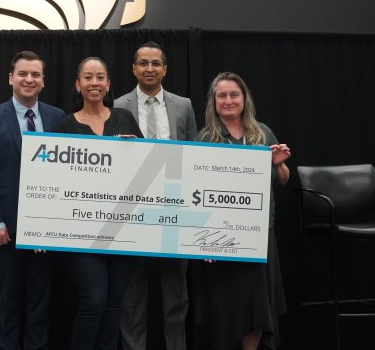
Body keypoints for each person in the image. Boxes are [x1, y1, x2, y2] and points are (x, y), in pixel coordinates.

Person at [0, 50, 65, 350]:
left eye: (35, 74)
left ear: (43, 81)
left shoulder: (56, 117)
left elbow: (69, 171)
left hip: (45, 230)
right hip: (5, 230)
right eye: (23, 74)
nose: (29, 79)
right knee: (8, 302)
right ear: (11, 78)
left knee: (40, 303)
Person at [193, 71, 290, 350]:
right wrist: (205, 242)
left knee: (257, 307)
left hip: (258, 235)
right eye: (222, 95)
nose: (228, 100)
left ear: (244, 98)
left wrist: (279, 164)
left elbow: (283, 181)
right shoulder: (205, 139)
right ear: (214, 101)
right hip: (220, 240)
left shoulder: (262, 133)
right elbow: (195, 193)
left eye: (234, 94)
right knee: (227, 308)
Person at [55, 56, 142, 350]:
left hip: (122, 230)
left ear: (109, 84)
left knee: (115, 302)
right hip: (80, 233)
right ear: (78, 85)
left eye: (100, 77)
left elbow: (146, 172)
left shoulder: (126, 119)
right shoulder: (63, 127)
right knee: (94, 299)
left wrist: (135, 151)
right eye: (88, 78)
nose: (95, 83)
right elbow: (52, 183)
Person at [114, 41, 196, 350]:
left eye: (156, 63)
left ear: (165, 69)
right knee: (133, 295)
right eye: (143, 63)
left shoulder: (184, 105)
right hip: (132, 213)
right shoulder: (119, 105)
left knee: (176, 295)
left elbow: (192, 156)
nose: (150, 68)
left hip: (173, 211)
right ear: (134, 68)